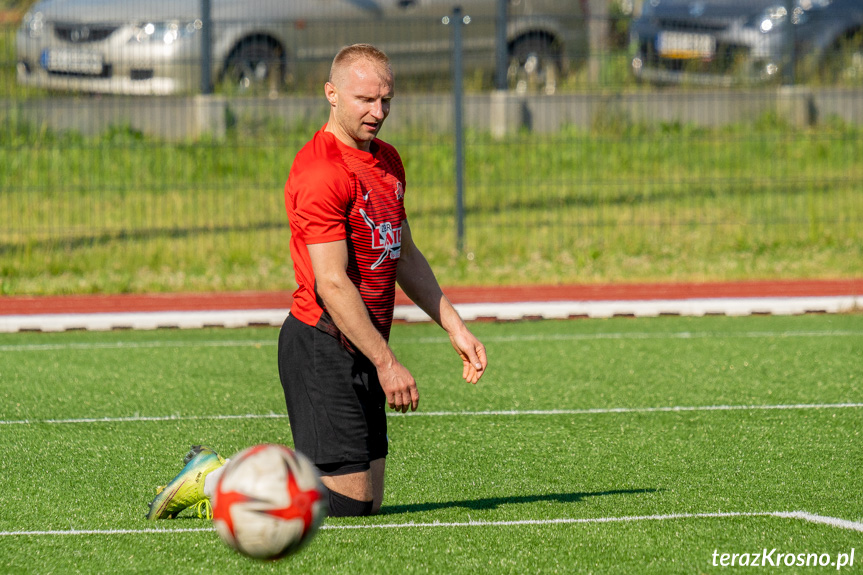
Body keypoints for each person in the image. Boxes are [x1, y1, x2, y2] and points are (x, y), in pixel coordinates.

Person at [146, 44, 487, 521]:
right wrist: (387, 364)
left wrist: (454, 326)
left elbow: (404, 253)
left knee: (366, 500)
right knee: (348, 504)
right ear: (331, 94)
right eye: (364, 99)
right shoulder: (321, 170)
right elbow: (331, 283)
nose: (378, 112)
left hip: (362, 339)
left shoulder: (387, 161)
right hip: (322, 342)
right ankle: (216, 476)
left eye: (386, 99)